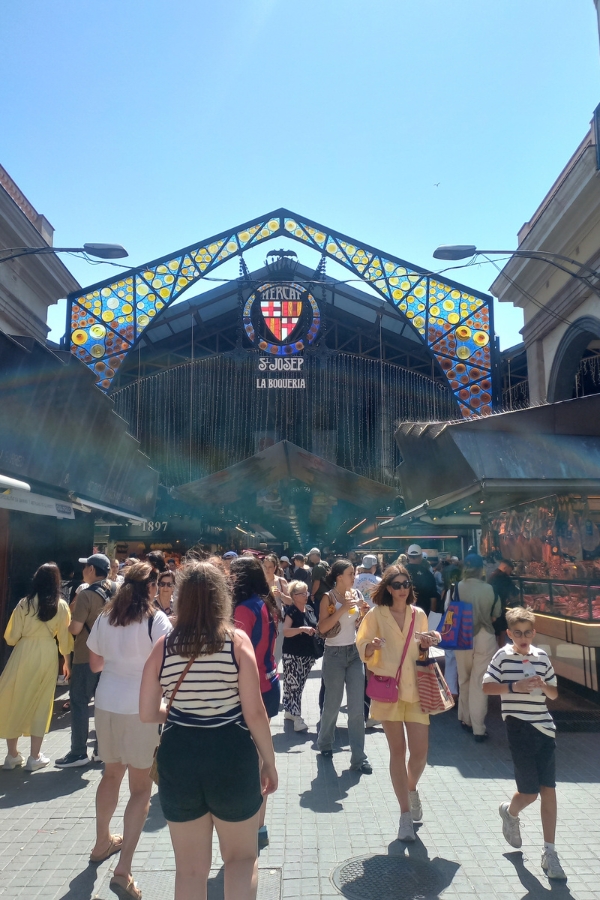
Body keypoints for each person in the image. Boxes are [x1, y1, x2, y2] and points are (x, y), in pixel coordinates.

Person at [140, 562, 278, 900]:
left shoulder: (165, 645)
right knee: (241, 858)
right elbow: (255, 713)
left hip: (179, 755)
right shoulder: (235, 642)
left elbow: (146, 712)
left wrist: (180, 712)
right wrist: (269, 762)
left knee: (189, 869)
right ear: (223, 598)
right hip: (230, 753)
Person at [86, 562, 171, 899]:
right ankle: (124, 869)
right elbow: (166, 664)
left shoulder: (107, 615)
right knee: (140, 791)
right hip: (142, 708)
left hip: (106, 701)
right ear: (150, 587)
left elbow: (95, 663)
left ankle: (101, 841)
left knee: (110, 775)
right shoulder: (155, 619)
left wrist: (119, 663)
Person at [357, 565, 439, 842]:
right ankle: (404, 814)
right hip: (389, 690)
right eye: (397, 584)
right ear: (388, 588)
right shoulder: (376, 614)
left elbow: (423, 649)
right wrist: (372, 647)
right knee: (397, 752)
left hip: (416, 689)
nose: (402, 589)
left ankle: (411, 788)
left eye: (406, 584)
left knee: (420, 752)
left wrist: (428, 642)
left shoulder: (419, 615)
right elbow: (362, 646)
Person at [483, 607, 566, 881]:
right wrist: (513, 687)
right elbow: (486, 686)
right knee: (529, 792)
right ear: (509, 633)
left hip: (544, 728)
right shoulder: (502, 656)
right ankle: (510, 811)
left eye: (527, 632)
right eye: (517, 633)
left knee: (549, 790)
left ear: (534, 632)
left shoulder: (541, 656)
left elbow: (554, 694)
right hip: (518, 727)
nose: (523, 637)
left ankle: (550, 852)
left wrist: (543, 685)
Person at [1, 563, 72, 771]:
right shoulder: (61, 605)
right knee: (42, 702)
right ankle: (35, 756)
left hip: (23, 652)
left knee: (15, 698)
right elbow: (65, 638)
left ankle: (12, 755)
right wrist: (67, 662)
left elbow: (11, 637)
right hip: (48, 652)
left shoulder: (24, 603)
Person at [230, 555, 280, 847]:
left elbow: (237, 655)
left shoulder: (242, 610)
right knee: (260, 755)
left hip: (251, 689)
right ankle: (259, 825)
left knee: (248, 761)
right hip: (270, 682)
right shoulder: (268, 604)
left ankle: (246, 824)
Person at [56, 553, 113, 768]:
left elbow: (76, 628)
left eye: (85, 567)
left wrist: (66, 625)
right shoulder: (116, 590)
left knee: (79, 702)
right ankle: (102, 749)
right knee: (103, 704)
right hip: (111, 657)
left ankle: (78, 752)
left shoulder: (87, 595)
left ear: (91, 570)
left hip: (85, 656)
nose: (83, 571)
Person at [316, 559, 372, 774]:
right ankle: (325, 742)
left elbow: (357, 624)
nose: (354, 577)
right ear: (339, 577)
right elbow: (322, 628)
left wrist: (363, 613)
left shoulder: (356, 595)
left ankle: (359, 758)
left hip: (354, 653)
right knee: (332, 703)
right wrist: (342, 610)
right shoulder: (328, 598)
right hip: (334, 655)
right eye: (351, 573)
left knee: (357, 708)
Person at [454, 553, 497, 742]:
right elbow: (495, 616)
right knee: (479, 682)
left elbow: (450, 611)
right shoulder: (490, 588)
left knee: (463, 678)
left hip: (462, 636)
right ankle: (478, 729)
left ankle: (465, 719)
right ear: (481, 569)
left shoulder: (457, 587)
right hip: (485, 636)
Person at [282, 581, 319, 731]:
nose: (306, 595)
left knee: (298, 685)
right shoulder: (291, 611)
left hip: (307, 654)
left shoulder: (309, 609)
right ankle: (297, 717)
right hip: (293, 653)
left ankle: (289, 710)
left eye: (306, 592)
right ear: (294, 596)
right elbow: (286, 631)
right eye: (302, 593)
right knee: (294, 685)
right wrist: (301, 629)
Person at [262, 554, 290, 664]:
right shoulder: (259, 581)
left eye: (270, 567)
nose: (267, 569)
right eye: (265, 566)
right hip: (262, 617)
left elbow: (290, 601)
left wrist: (281, 595)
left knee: (277, 647)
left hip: (277, 617)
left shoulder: (281, 581)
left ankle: (274, 668)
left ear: (275, 568)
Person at [488, 560, 520, 645]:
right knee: (502, 631)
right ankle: (500, 650)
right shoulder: (504, 577)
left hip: (491, 607)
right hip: (500, 608)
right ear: (505, 568)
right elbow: (515, 592)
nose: (510, 573)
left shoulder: (492, 575)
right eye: (510, 570)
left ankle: (495, 650)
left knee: (495, 632)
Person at [405, 545, 439, 615]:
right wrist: (432, 614)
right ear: (420, 556)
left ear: (408, 556)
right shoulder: (427, 573)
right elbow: (433, 596)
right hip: (423, 613)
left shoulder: (401, 572)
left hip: (404, 613)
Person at [307, 548, 330, 612]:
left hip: (320, 596)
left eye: (310, 556)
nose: (310, 558)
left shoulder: (317, 567)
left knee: (320, 616)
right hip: (328, 593)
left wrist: (312, 594)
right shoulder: (325, 563)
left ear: (315, 555)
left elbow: (317, 583)